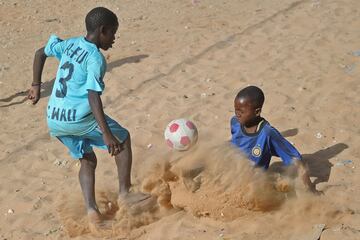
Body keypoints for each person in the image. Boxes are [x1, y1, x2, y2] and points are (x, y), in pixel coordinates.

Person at [28, 7, 149, 224]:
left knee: (88, 159)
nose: (114, 39)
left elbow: (40, 53)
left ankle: (92, 211)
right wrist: (106, 134)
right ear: (102, 30)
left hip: (54, 119)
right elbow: (93, 96)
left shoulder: (69, 43)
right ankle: (125, 193)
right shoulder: (96, 58)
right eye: (113, 32)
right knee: (122, 139)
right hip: (78, 118)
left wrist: (36, 86)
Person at [230, 86, 318, 193]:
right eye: (236, 110)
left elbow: (296, 160)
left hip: (252, 183)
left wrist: (310, 188)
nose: (237, 114)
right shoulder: (235, 122)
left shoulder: (268, 134)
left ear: (257, 112)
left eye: (241, 112)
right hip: (231, 172)